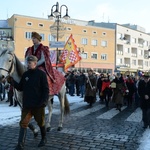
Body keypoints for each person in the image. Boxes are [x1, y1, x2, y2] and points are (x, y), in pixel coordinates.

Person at [11, 55, 49, 150]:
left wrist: (44, 101)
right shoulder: (25, 74)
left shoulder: (41, 74)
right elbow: (20, 87)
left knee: (41, 123)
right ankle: (20, 145)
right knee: (23, 123)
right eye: (27, 62)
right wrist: (12, 82)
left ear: (35, 63)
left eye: (29, 63)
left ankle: (44, 138)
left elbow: (46, 90)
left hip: (38, 105)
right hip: (27, 105)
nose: (27, 64)